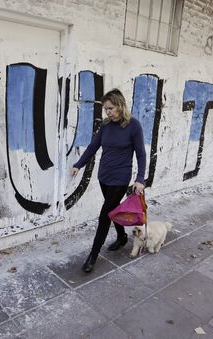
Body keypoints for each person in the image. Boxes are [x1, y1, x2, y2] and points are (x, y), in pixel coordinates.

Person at [71, 88, 146, 273]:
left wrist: (140, 179)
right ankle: (121, 237)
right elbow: (93, 147)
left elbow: (141, 154)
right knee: (113, 210)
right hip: (104, 176)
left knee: (104, 216)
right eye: (106, 109)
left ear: (120, 105)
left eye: (111, 108)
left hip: (120, 178)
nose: (108, 112)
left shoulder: (133, 126)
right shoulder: (105, 126)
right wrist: (78, 164)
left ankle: (93, 256)